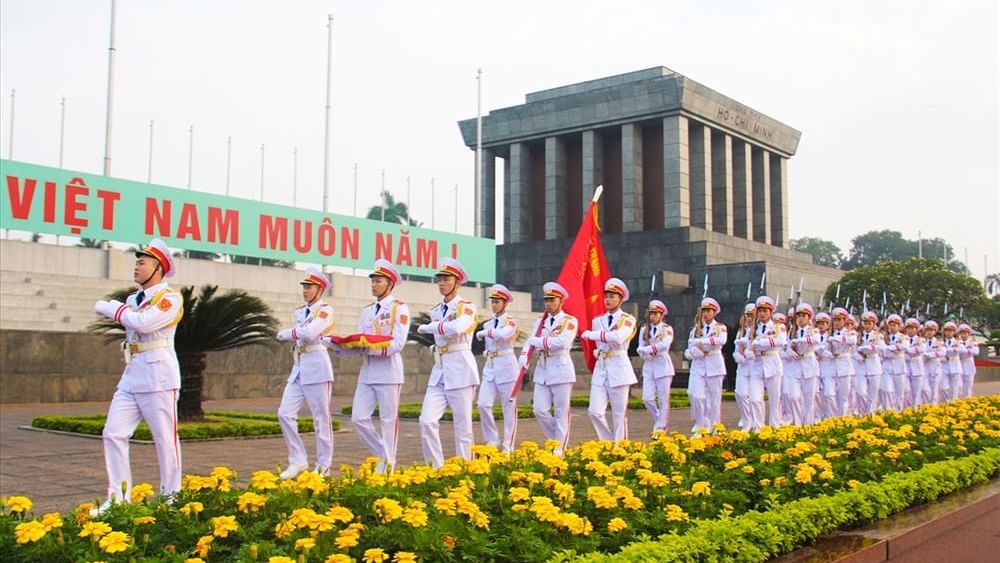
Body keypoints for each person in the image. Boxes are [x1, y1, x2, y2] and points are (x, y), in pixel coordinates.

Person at [91, 238, 184, 515]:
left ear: (158, 268)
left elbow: (143, 324)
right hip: (132, 373)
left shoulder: (170, 298)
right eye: (137, 261)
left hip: (159, 376)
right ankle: (118, 498)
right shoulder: (134, 299)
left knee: (165, 440)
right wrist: (122, 309)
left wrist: (111, 308)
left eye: (142, 262)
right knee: (113, 432)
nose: (137, 266)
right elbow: (133, 322)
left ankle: (171, 497)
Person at [327, 259, 410, 474]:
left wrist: (370, 347)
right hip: (367, 372)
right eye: (373, 281)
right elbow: (359, 342)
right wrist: (337, 345)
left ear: (390, 284)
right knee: (358, 418)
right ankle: (384, 455)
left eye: (378, 281)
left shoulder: (398, 309)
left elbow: (397, 343)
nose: (374, 285)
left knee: (388, 420)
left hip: (389, 372)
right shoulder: (367, 311)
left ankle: (388, 464)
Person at [416, 258, 479, 468]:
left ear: (457, 282)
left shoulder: (467, 306)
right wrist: (436, 325)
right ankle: (436, 468)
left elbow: (459, 328)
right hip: (440, 369)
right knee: (426, 420)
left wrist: (431, 327)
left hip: (461, 368)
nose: (442, 283)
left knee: (463, 427)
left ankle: (465, 469)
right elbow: (447, 328)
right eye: (440, 280)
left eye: (446, 279)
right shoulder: (436, 310)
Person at [275, 268, 336, 479]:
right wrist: (295, 334)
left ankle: (323, 466)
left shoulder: (325, 311)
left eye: (309, 287)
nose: (305, 290)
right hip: (299, 367)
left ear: (320, 289)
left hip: (318, 368)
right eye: (304, 287)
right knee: (284, 413)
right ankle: (298, 460)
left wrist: (289, 333)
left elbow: (310, 333)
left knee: (321, 419)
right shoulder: (300, 312)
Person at [519, 282, 578, 456]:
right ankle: (556, 439)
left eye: (552, 300)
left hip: (561, 369)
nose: (548, 303)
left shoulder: (569, 321)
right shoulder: (540, 321)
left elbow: (562, 343)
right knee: (539, 410)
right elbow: (529, 340)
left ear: (561, 301)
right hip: (543, 369)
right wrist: (523, 356)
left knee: (561, 412)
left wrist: (538, 342)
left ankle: (559, 449)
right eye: (546, 300)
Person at [581, 278, 638, 441]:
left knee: (619, 415)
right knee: (594, 411)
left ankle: (620, 447)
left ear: (620, 299)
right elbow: (602, 344)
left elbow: (619, 337)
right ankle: (607, 441)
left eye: (612, 296)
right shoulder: (597, 321)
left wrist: (593, 335)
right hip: (602, 367)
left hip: (619, 366)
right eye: (606, 296)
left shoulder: (627, 319)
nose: (608, 299)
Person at [475, 284, 520, 452]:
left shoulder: (511, 322)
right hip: (490, 366)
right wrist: (484, 332)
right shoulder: (488, 324)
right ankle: (492, 439)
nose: (494, 305)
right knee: (483, 404)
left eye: (497, 302)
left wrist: (485, 333)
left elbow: (503, 334)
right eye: (492, 302)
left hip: (507, 366)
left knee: (509, 408)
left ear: (505, 303)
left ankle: (509, 445)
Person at [684, 297, 728, 432]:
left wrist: (701, 342)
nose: (706, 314)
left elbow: (721, 340)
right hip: (698, 365)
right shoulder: (695, 329)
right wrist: (692, 353)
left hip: (714, 364)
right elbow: (689, 347)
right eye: (704, 311)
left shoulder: (720, 327)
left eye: (709, 311)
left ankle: (715, 425)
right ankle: (701, 422)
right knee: (695, 394)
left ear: (714, 312)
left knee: (714, 399)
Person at [637, 299, 675, 434]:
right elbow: (640, 348)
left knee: (663, 398)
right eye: (651, 313)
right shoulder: (644, 329)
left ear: (661, 315)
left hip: (663, 365)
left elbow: (665, 345)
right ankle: (660, 420)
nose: (652, 316)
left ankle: (661, 427)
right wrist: (645, 353)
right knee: (647, 398)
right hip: (649, 365)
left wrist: (648, 349)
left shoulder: (667, 329)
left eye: (655, 314)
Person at [749, 296, 785, 430]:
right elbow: (749, 344)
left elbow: (780, 341)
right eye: (760, 311)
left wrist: (760, 343)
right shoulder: (754, 328)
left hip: (772, 363)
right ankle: (758, 428)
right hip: (757, 364)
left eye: (765, 310)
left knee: (774, 401)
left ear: (770, 312)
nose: (762, 313)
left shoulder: (778, 327)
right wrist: (749, 350)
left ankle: (775, 427)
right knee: (754, 398)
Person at [788, 303, 820, 425]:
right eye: (798, 316)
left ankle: (808, 424)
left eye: (803, 316)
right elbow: (787, 346)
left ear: (808, 318)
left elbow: (816, 340)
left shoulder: (813, 330)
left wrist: (800, 340)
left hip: (809, 364)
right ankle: (797, 423)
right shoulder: (792, 332)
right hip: (795, 366)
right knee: (794, 397)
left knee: (809, 399)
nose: (800, 319)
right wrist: (790, 351)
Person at [733, 303, 756, 431]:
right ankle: (747, 419)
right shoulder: (741, 331)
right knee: (740, 394)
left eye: (752, 315)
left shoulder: (759, 331)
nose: (749, 318)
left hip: (755, 366)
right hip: (743, 366)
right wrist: (737, 355)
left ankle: (753, 420)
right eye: (747, 315)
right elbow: (737, 348)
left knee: (754, 396)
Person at [828, 308, 856, 417]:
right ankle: (832, 416)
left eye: (839, 320)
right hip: (832, 365)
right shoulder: (829, 333)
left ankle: (843, 417)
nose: (837, 322)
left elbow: (852, 341)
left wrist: (836, 338)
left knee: (843, 396)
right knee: (829, 394)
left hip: (844, 365)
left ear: (844, 321)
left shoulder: (849, 332)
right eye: (835, 320)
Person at [857, 311, 885, 414]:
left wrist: (867, 348)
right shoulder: (858, 335)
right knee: (861, 392)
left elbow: (882, 348)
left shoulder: (878, 336)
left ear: (873, 324)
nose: (867, 325)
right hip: (861, 365)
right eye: (865, 323)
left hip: (873, 365)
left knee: (873, 395)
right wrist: (858, 356)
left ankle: (871, 415)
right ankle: (862, 413)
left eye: (869, 323)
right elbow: (854, 350)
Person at [881, 315, 908, 411]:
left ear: (899, 326)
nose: (892, 327)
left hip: (899, 367)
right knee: (887, 390)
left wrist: (889, 348)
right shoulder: (883, 337)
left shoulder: (903, 337)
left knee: (899, 394)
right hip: (887, 367)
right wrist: (893, 349)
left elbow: (904, 347)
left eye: (894, 325)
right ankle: (888, 411)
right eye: (890, 325)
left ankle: (898, 412)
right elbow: (881, 349)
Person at [902, 318, 926, 408]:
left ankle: (915, 411)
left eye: (913, 328)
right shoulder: (902, 338)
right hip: (905, 367)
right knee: (907, 391)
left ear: (916, 329)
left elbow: (921, 350)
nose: (910, 330)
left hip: (917, 368)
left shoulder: (920, 340)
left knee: (916, 393)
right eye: (908, 328)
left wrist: (908, 349)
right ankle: (907, 410)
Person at [922, 321, 944, 404]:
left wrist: (929, 355)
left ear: (935, 331)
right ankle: (927, 405)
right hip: (925, 367)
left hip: (935, 368)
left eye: (931, 330)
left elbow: (942, 353)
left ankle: (933, 408)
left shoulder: (939, 342)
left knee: (934, 390)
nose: (929, 332)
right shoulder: (922, 342)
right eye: (927, 330)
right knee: (925, 389)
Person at [941, 321, 963, 402]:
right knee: (944, 388)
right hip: (944, 366)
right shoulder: (941, 342)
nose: (949, 333)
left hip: (955, 366)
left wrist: (947, 350)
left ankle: (954, 404)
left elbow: (961, 350)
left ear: (954, 332)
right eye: (947, 331)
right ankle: (947, 403)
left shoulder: (958, 341)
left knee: (955, 389)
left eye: (951, 331)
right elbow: (939, 352)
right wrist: (953, 350)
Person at [957, 323, 978, 399]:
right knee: (959, 387)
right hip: (959, 366)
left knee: (968, 387)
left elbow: (975, 352)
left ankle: (968, 401)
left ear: (968, 333)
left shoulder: (972, 342)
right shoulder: (957, 342)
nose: (963, 335)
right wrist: (967, 350)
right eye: (961, 333)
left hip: (969, 366)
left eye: (965, 333)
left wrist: (963, 350)